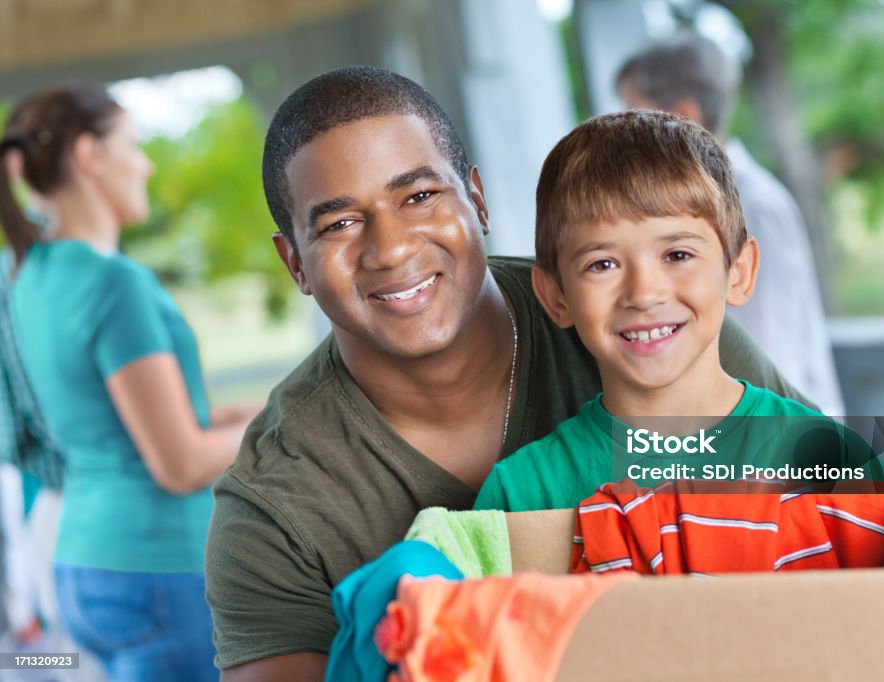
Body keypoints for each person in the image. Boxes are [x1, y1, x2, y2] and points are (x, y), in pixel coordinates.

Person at [204, 66, 810, 681]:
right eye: (339, 224)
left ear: (478, 200)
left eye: (419, 196)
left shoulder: (649, 331)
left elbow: (856, 531)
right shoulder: (274, 505)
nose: (390, 248)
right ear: (295, 265)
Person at [473, 111, 882, 513]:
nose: (644, 293)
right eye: (602, 264)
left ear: (738, 272)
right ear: (556, 297)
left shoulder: (832, 463)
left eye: (678, 254)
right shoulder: (521, 494)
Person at [0, 85, 262, 682]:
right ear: (90, 156)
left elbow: (106, 421)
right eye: (133, 145)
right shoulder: (115, 283)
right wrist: (271, 425)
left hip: (82, 567)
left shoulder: (27, 276)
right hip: (159, 570)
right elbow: (180, 464)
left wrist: (232, 415)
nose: (145, 164)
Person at [616, 35, 845, 417]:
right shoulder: (695, 204)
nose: (623, 137)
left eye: (633, 115)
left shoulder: (752, 205)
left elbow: (769, 353)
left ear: (685, 114)